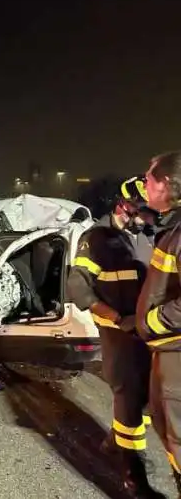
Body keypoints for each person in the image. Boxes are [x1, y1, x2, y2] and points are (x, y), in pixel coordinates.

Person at [66, 176, 162, 498]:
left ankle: (113, 440)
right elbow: (78, 285)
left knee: (149, 394)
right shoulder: (96, 239)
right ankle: (133, 474)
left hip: (149, 330)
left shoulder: (147, 235)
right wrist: (116, 318)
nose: (148, 219)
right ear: (124, 206)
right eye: (142, 212)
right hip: (118, 333)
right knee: (129, 394)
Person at [135, 150, 181, 495]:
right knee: (170, 432)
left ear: (166, 183)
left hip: (176, 351)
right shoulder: (173, 228)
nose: (145, 185)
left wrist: (154, 320)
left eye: (149, 179)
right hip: (167, 350)